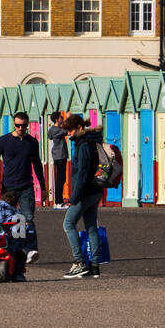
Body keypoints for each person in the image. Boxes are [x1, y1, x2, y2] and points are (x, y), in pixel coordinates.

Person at [0, 112, 45, 265]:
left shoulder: (32, 142)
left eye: (24, 125)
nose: (21, 128)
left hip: (26, 185)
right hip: (8, 187)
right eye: (18, 125)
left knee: (28, 218)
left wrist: (43, 187)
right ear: (14, 124)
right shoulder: (3, 141)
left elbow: (37, 165)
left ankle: (31, 250)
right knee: (8, 220)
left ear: (27, 125)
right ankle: (9, 250)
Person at [61, 113, 106, 279]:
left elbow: (83, 173)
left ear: (79, 128)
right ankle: (94, 266)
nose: (68, 134)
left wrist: (74, 196)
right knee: (91, 226)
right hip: (95, 190)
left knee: (68, 224)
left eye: (70, 130)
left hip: (85, 192)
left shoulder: (84, 144)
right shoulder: (92, 140)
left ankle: (79, 262)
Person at [47, 111, 71, 210]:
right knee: (61, 179)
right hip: (60, 156)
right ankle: (58, 202)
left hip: (57, 156)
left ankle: (58, 201)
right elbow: (68, 131)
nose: (63, 118)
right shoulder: (57, 130)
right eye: (61, 117)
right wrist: (69, 119)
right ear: (57, 119)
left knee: (60, 179)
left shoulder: (52, 129)